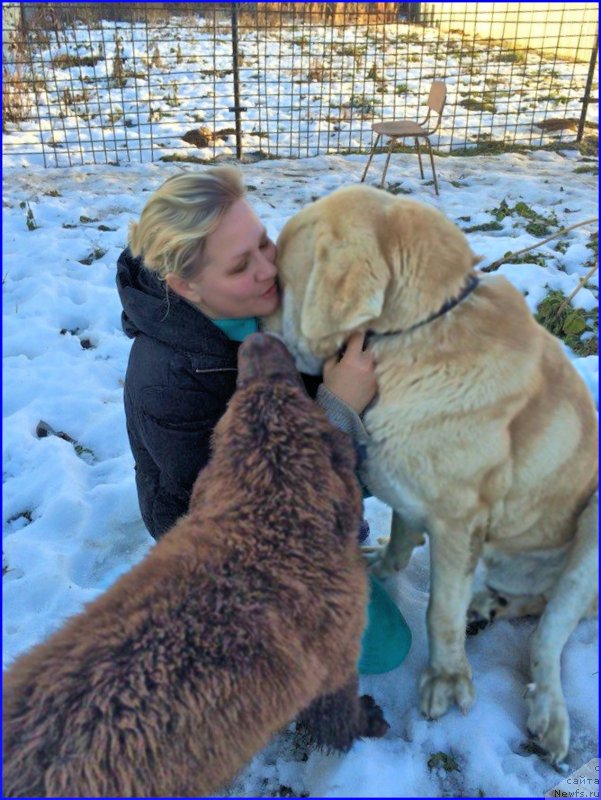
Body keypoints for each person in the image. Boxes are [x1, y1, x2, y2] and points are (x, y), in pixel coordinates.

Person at [116, 166, 410, 674]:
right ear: (185, 286)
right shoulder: (168, 385)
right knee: (384, 648)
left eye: (265, 244)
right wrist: (338, 408)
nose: (268, 269)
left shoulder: (262, 294)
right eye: (239, 265)